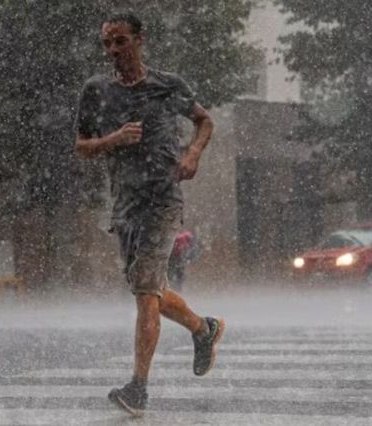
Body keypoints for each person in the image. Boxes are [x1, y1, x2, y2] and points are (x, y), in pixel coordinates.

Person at [74, 13, 224, 417]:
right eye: (107, 43)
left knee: (145, 292)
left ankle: (138, 388)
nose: (113, 50)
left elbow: (204, 121)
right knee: (149, 289)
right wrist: (114, 139)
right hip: (125, 205)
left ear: (140, 40)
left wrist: (193, 154)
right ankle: (203, 329)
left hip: (162, 200)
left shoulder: (166, 85)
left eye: (121, 41)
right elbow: (82, 146)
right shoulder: (96, 90)